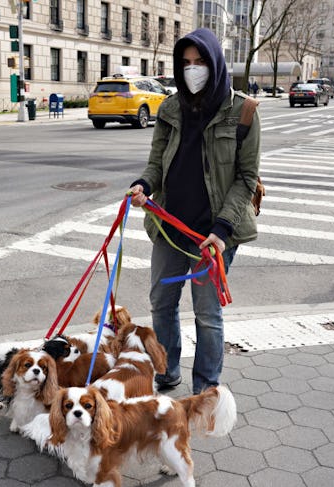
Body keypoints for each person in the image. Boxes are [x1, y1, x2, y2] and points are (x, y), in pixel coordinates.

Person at [128, 28, 260, 394]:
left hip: (213, 234)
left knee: (206, 314)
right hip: (170, 226)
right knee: (161, 303)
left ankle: (205, 390)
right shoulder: (170, 109)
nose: (192, 70)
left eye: (200, 61)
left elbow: (247, 179)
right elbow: (156, 163)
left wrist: (221, 229)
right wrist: (144, 185)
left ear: (215, 63)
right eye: (185, 63)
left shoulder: (243, 111)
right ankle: (167, 372)